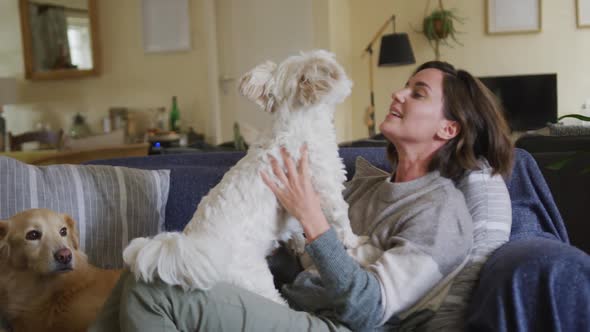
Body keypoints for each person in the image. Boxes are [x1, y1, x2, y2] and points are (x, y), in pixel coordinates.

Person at [89, 61, 513, 332]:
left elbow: (370, 310)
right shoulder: (366, 184)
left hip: (341, 328)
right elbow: (297, 252)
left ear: (448, 130)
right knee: (146, 268)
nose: (397, 94)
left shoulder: (440, 212)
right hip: (293, 309)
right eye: (404, 86)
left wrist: (313, 220)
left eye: (417, 92)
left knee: (155, 290)